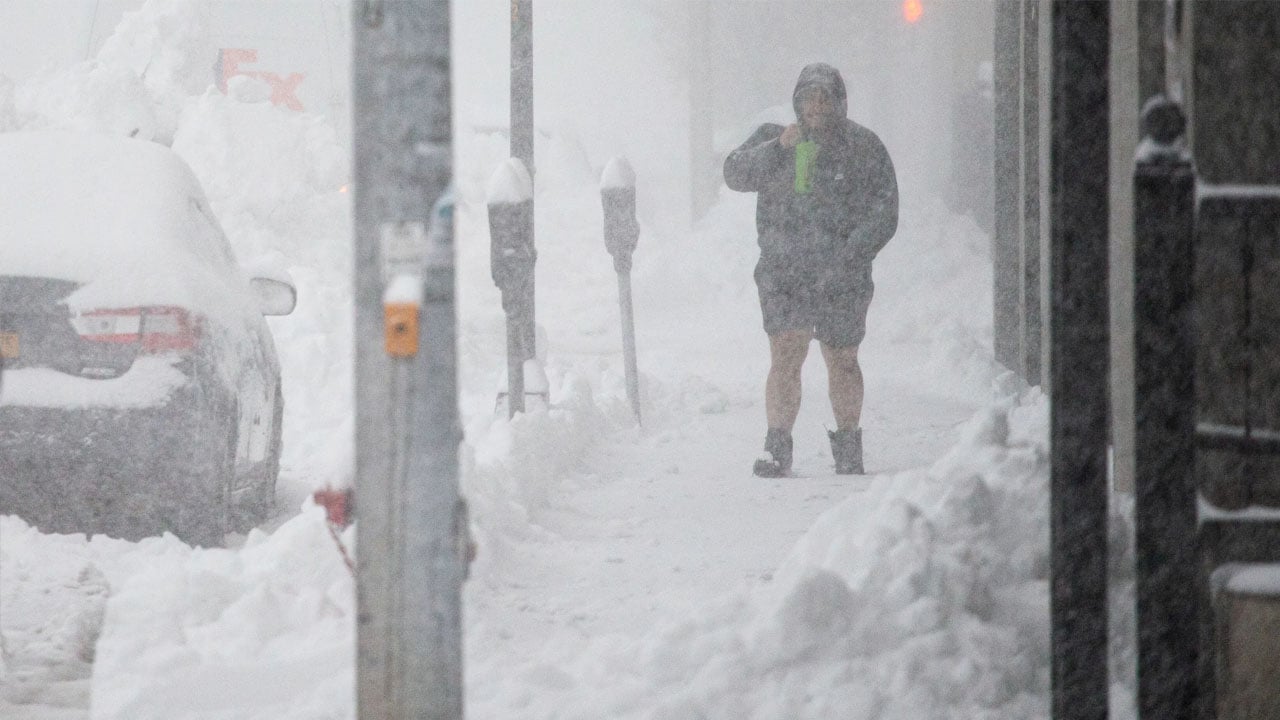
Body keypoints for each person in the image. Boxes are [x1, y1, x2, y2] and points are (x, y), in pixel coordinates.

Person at [723, 62, 898, 477]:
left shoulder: (863, 146)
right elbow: (734, 172)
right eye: (808, 97)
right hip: (784, 272)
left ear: (839, 102)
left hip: (842, 276)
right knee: (786, 355)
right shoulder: (775, 139)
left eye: (824, 98)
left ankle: (849, 445)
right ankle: (776, 448)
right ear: (797, 101)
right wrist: (778, 148)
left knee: (843, 359)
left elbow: (885, 211)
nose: (816, 106)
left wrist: (851, 254)